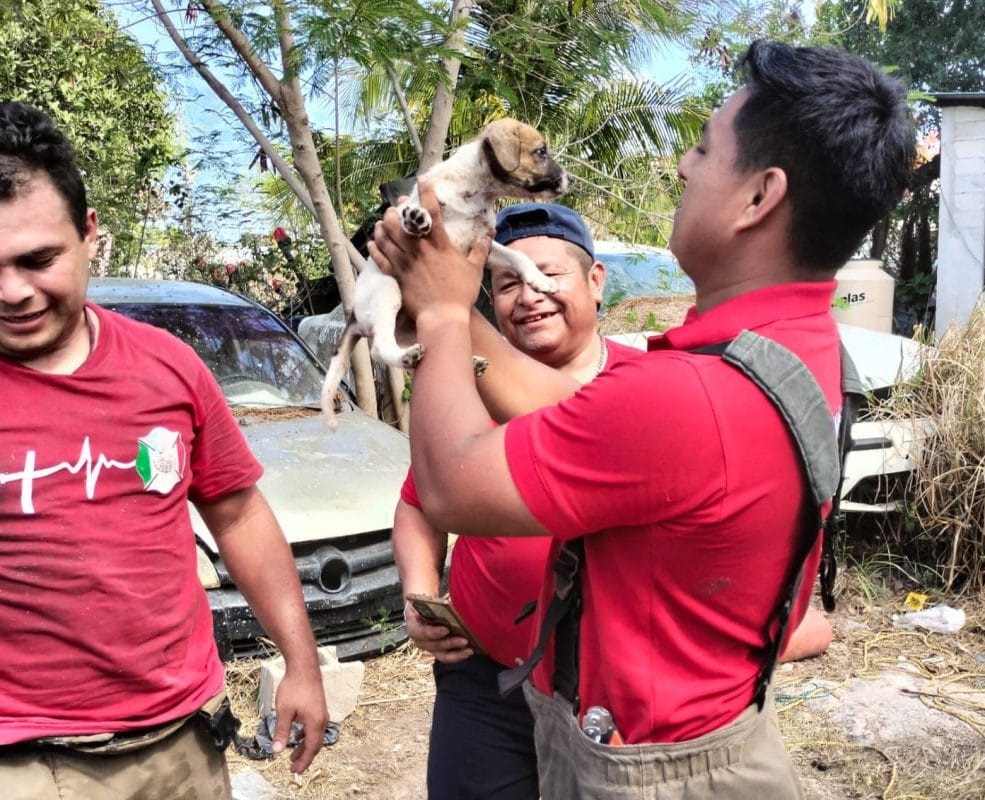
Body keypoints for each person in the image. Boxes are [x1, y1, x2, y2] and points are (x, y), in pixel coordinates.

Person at [369, 39, 914, 798]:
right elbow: (590, 420)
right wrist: (462, 311)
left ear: (759, 197)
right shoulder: (790, 351)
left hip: (646, 775)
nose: (685, 166)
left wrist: (433, 314)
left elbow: (451, 486)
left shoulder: (688, 398)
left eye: (702, 148)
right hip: (717, 738)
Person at [0, 101, 327, 799]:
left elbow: (237, 514)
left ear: (91, 236)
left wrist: (300, 661)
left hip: (180, 743)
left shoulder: (167, 367)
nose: (12, 292)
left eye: (38, 259)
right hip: (20, 760)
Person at [396, 203, 639, 799]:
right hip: (484, 679)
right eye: (507, 283)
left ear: (596, 281)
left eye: (547, 275)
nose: (529, 295)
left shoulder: (644, 389)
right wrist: (418, 592)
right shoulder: (464, 395)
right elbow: (419, 500)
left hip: (605, 689)